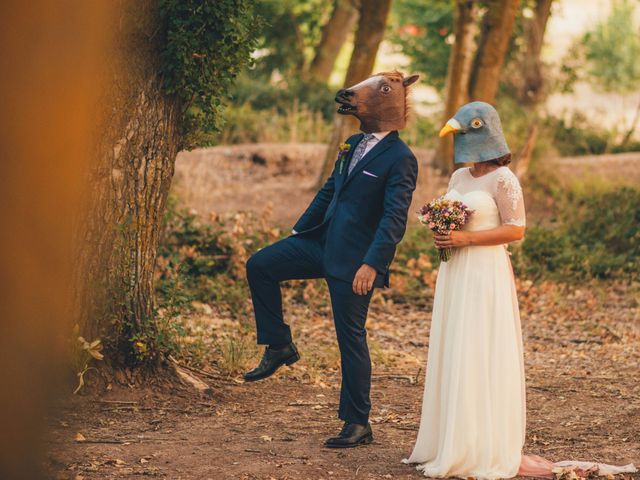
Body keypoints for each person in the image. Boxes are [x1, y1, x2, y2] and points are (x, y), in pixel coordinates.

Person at [403, 101, 637, 478]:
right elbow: (453, 214)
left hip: (484, 271)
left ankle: (483, 444)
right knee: (457, 345)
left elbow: (517, 228)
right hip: (456, 273)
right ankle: (453, 440)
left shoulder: (504, 179)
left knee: (479, 347)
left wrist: (465, 237)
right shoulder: (459, 178)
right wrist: (443, 234)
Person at [243, 71, 420, 448]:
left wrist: (373, 264)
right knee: (260, 265)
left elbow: (394, 216)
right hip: (319, 244)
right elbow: (329, 192)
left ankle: (358, 423)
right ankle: (278, 345)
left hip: (356, 262)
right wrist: (298, 232)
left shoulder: (401, 158)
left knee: (350, 340)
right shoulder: (352, 143)